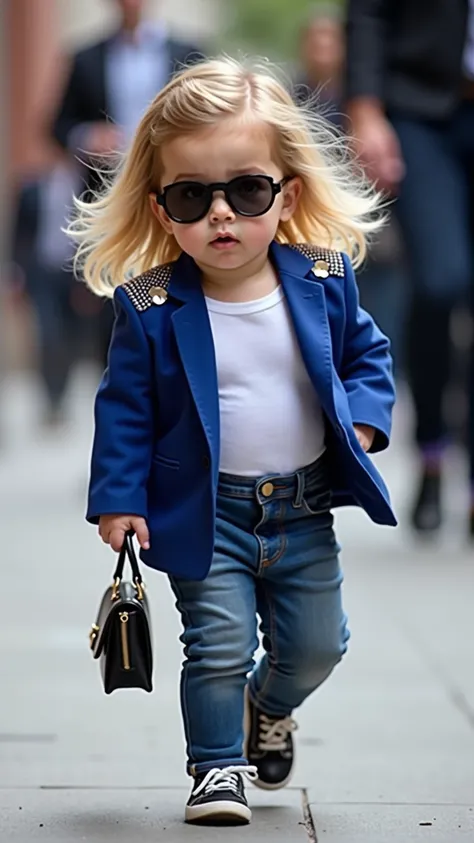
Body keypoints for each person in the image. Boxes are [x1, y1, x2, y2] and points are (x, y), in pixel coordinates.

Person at [69, 57, 396, 826]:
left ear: (289, 194)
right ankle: (216, 768)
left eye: (247, 190)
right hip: (204, 510)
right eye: (192, 196)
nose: (222, 214)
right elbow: (125, 407)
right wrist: (118, 498)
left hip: (304, 506)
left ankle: (267, 706)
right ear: (160, 210)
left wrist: (366, 418)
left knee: (319, 645)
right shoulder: (149, 305)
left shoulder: (323, 277)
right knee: (215, 642)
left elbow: (368, 356)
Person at [345, 0, 474, 537]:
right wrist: (365, 108)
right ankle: (432, 449)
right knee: (440, 282)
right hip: (422, 110)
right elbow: (369, 11)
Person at [52, 0, 202, 365]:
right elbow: (57, 126)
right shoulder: (85, 57)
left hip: (175, 192)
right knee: (113, 295)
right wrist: (88, 137)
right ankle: (122, 381)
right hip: (109, 196)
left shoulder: (188, 52)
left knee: (179, 284)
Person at [296, 4, 406, 374]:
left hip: (375, 226)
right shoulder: (292, 100)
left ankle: (380, 372)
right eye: (317, 42)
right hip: (316, 230)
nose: (324, 50)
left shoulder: (368, 99)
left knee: (383, 310)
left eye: (332, 42)